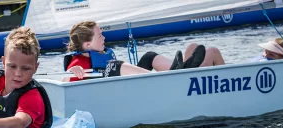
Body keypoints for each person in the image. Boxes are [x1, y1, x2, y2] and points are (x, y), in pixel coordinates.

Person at [65, 20, 207, 80]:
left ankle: (178, 71)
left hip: (126, 87)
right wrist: (72, 72)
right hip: (117, 95)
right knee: (115, 65)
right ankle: (168, 79)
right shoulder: (79, 61)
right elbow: (64, 83)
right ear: (88, 44)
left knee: (150, 56)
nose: (103, 38)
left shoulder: (98, 52)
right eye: (99, 36)